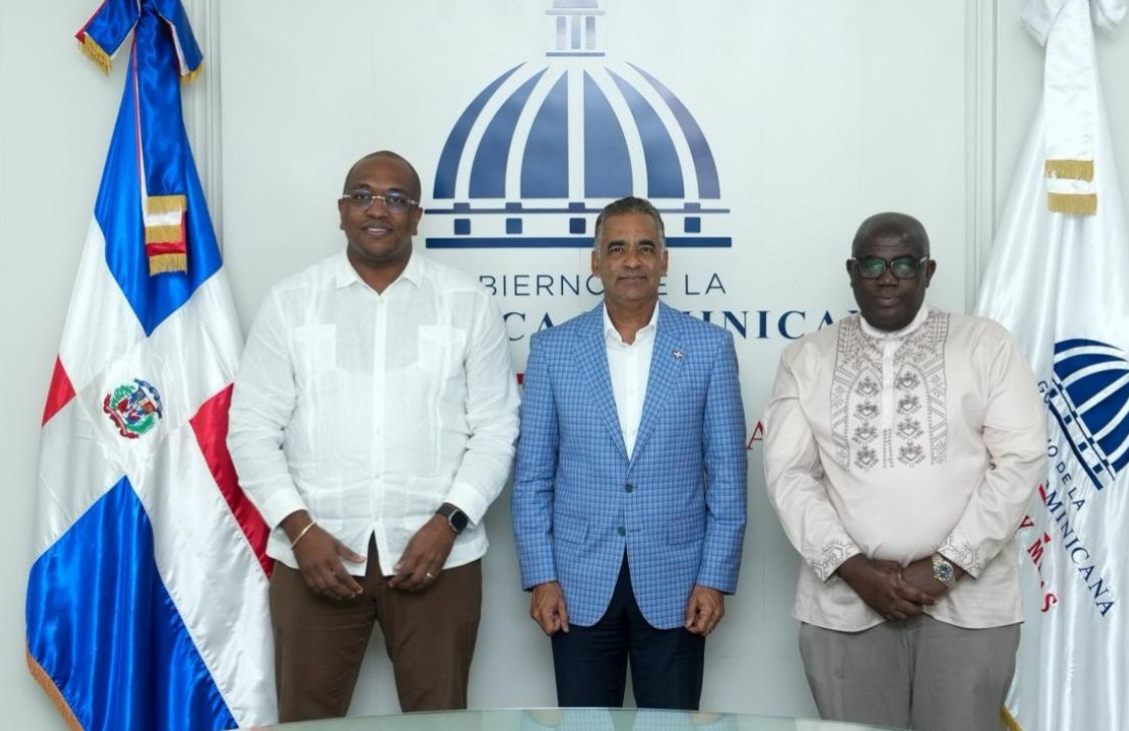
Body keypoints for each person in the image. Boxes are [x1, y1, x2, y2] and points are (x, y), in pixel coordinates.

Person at [228, 150, 519, 722]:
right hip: (315, 556)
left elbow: (496, 427)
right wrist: (300, 530)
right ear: (341, 211)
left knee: (440, 722)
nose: (378, 209)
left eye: (395, 199)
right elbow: (252, 430)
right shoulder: (292, 302)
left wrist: (448, 523)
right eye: (362, 196)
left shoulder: (467, 302)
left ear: (417, 216)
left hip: (439, 558)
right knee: (306, 724)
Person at [763, 212, 1047, 731]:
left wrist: (944, 568)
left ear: (928, 271)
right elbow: (790, 477)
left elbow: (1020, 461)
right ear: (852, 272)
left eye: (904, 264)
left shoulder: (985, 345)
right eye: (873, 264)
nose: (888, 278)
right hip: (846, 605)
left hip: (968, 606)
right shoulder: (807, 358)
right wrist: (856, 570)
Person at [512, 196, 747, 710]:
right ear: (596, 262)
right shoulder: (553, 349)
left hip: (678, 585)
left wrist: (714, 578)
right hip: (577, 585)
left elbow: (728, 475)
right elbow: (532, 478)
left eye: (646, 248)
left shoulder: (708, 348)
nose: (632, 261)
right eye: (617, 248)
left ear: (665, 260)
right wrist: (542, 576)